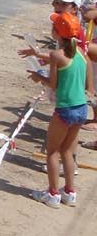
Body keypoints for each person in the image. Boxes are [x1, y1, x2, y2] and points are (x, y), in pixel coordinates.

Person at [27, 12, 91, 208]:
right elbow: (87, 83)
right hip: (81, 108)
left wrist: (38, 77)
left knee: (53, 152)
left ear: (57, 33)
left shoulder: (56, 55)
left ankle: (53, 193)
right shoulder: (81, 53)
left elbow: (53, 84)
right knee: (67, 152)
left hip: (65, 109)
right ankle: (70, 192)